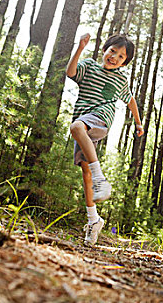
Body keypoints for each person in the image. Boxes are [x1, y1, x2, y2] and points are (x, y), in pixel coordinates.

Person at [66, 33, 144, 246]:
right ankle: (94, 220)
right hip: (84, 121)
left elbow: (131, 101)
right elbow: (70, 72)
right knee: (85, 170)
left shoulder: (120, 79)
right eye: (113, 51)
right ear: (105, 50)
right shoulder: (89, 66)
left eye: (121, 57)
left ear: (124, 62)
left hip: (100, 119)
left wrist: (138, 123)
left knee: (75, 127)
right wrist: (80, 47)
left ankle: (101, 178)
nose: (115, 57)